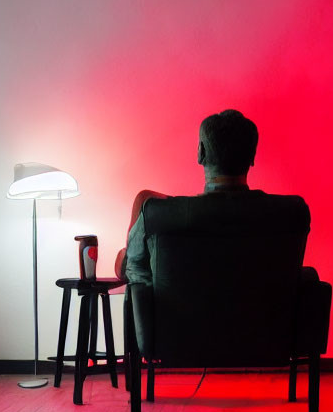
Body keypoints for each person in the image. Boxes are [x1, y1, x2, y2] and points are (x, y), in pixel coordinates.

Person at [120, 109, 316, 285]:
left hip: (182, 325)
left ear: (201, 153)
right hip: (266, 325)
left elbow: (135, 275)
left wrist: (125, 255)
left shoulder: (158, 214)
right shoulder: (293, 213)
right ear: (253, 156)